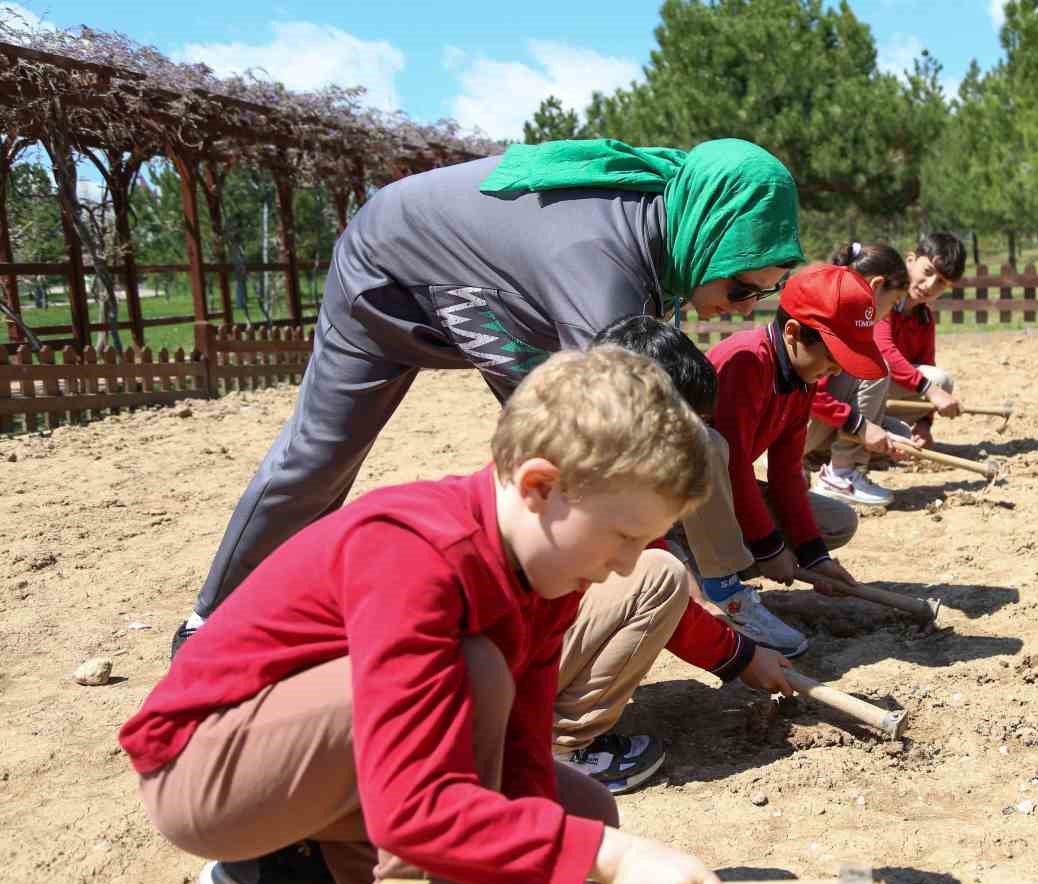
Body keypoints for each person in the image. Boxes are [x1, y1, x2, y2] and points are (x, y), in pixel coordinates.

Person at [121, 348, 732, 884]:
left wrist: (541, 869)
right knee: (478, 680)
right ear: (540, 486)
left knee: (584, 813)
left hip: (300, 767)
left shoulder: (547, 575)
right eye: (625, 536)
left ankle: (295, 873)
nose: (629, 564)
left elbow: (523, 748)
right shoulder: (417, 553)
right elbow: (416, 804)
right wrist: (609, 858)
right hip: (204, 776)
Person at [172, 137, 806, 656]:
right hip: (386, 274)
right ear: (711, 233)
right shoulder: (598, 263)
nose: (745, 308)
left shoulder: (669, 230)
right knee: (320, 454)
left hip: (500, 301)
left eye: (763, 295)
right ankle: (212, 624)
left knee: (566, 468)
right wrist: (720, 643)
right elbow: (623, 446)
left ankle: (529, 620)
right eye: (743, 288)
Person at [553, 315, 795, 794]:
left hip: (498, 672)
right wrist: (743, 657)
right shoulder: (596, 489)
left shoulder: (592, 461)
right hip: (494, 683)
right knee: (658, 576)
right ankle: (560, 751)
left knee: (659, 572)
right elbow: (658, 590)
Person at [676, 264, 884, 658]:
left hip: (725, 494)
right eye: (833, 356)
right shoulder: (747, 362)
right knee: (719, 475)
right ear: (792, 333)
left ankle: (720, 569)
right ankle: (719, 585)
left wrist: (813, 556)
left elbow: (786, 471)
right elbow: (734, 466)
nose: (837, 369)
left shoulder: (803, 379)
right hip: (685, 501)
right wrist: (770, 548)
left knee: (836, 523)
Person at [806, 240, 912, 507]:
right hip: (788, 429)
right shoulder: (827, 317)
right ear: (876, 286)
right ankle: (841, 473)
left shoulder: (846, 316)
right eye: (894, 301)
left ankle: (833, 462)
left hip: (807, 425)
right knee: (877, 369)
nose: (889, 313)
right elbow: (810, 395)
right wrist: (862, 427)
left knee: (898, 432)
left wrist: (874, 430)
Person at [875, 232, 967, 448]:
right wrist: (931, 391)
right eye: (927, 272)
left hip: (883, 393)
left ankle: (885, 428)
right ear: (910, 260)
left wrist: (925, 424)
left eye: (941, 282)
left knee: (941, 380)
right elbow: (884, 351)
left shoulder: (924, 319)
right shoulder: (883, 297)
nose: (930, 285)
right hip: (856, 385)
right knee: (933, 383)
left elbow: (927, 364)